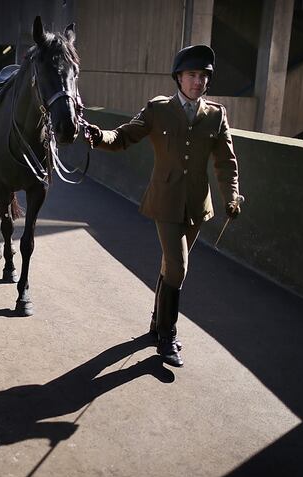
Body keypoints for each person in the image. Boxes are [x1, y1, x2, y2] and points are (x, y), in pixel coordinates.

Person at [85, 44, 242, 368]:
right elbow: (124, 137)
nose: (197, 82)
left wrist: (231, 195)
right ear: (179, 77)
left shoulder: (216, 115)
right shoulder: (158, 109)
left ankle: (157, 322)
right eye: (192, 75)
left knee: (171, 268)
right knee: (179, 266)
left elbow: (226, 162)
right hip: (165, 202)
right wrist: (99, 136)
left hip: (197, 206)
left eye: (203, 76)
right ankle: (167, 337)